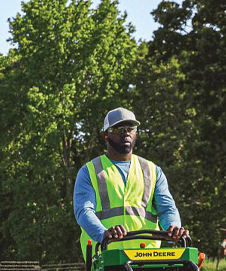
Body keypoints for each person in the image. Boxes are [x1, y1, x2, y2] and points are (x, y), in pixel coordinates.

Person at [74, 107, 185, 258]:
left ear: (136, 134)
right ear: (106, 135)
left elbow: (167, 209)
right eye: (118, 129)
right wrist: (103, 234)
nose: (125, 133)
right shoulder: (89, 171)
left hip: (147, 258)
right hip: (105, 256)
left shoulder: (152, 171)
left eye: (130, 128)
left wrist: (174, 228)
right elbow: (83, 211)